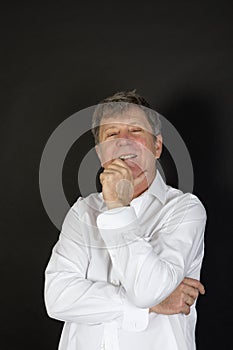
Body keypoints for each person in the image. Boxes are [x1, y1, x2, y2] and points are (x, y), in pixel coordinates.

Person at [44, 90, 207, 350]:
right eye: (112, 134)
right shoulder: (82, 212)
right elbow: (58, 298)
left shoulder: (184, 209)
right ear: (100, 153)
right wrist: (152, 305)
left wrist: (118, 207)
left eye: (136, 131)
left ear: (157, 146)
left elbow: (147, 289)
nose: (124, 142)